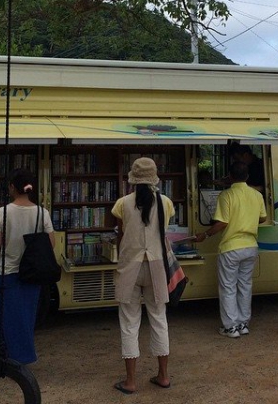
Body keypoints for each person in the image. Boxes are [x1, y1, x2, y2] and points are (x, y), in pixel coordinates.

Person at [111, 157, 174, 394]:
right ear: (154, 178)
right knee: (159, 319)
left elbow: (121, 235)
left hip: (130, 268)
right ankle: (164, 375)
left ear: (133, 180)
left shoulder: (123, 203)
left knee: (129, 322)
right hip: (157, 267)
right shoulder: (166, 202)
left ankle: (130, 381)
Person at [0, 168, 55, 365]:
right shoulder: (42, 213)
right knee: (26, 316)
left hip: (8, 272)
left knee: (4, 318)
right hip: (32, 273)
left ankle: (4, 355)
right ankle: (24, 357)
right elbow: (51, 244)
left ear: (12, 187)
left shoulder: (3, 212)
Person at [195, 161, 267, 338]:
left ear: (230, 176)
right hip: (250, 246)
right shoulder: (257, 195)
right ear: (248, 176)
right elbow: (263, 218)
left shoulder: (226, 196)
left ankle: (230, 327)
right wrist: (247, 221)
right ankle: (243, 324)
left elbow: (222, 222)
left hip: (231, 247)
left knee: (228, 287)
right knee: (245, 286)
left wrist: (206, 235)